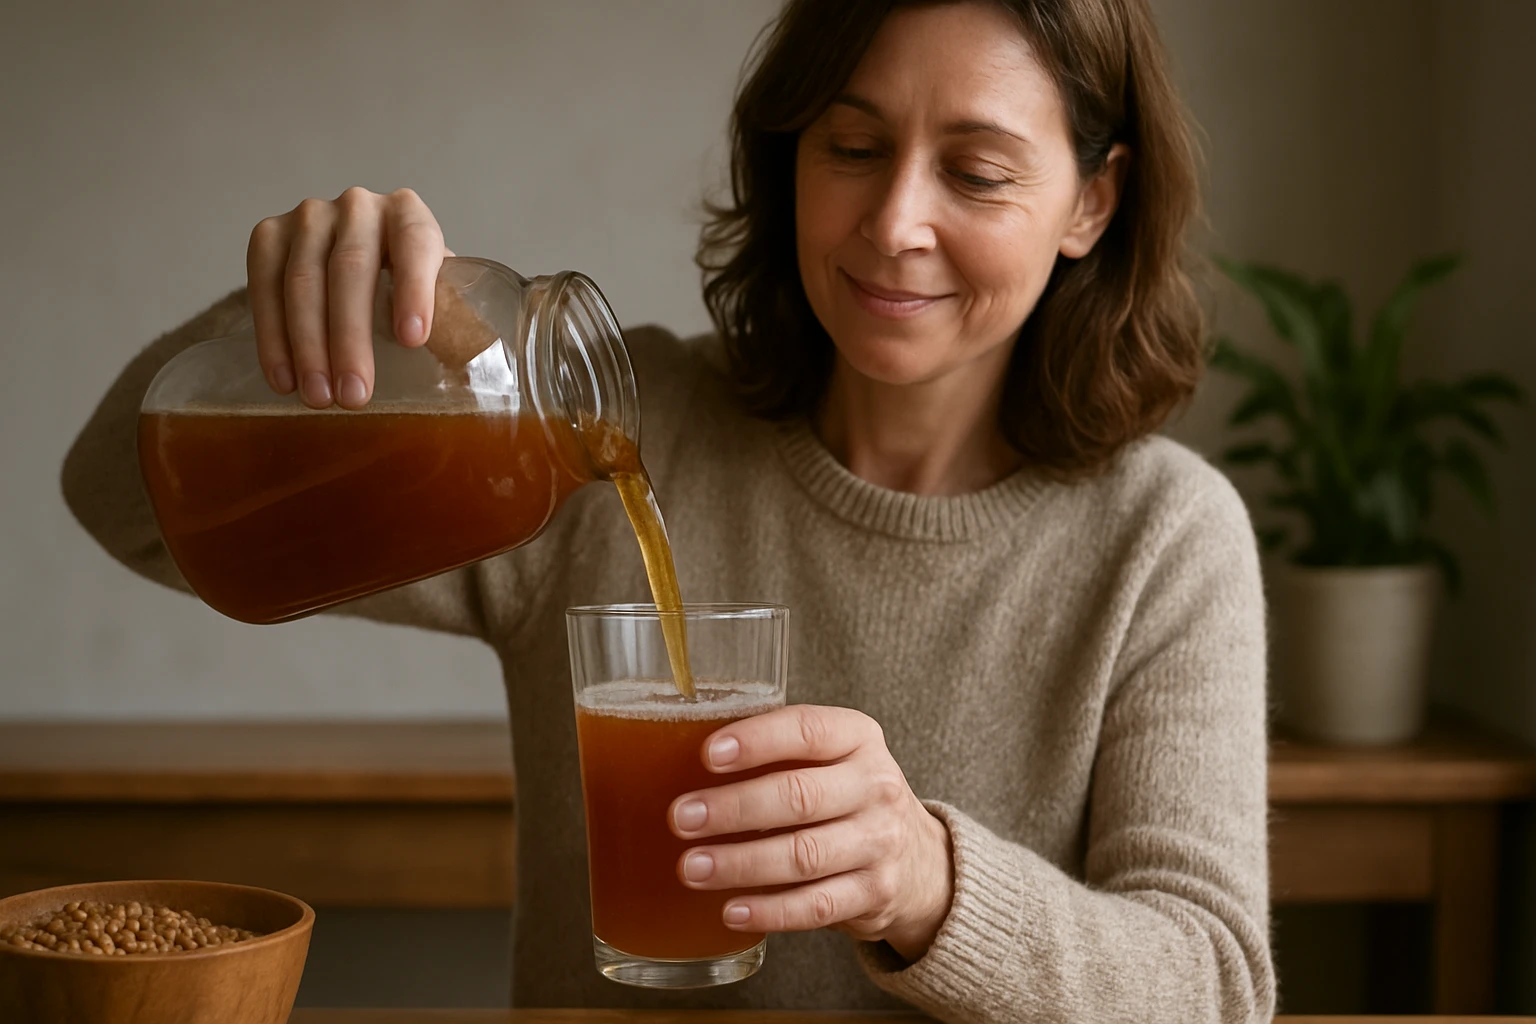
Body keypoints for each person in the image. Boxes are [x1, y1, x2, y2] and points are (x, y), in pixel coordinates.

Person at [62, 1, 1274, 1020]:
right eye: (851, 147)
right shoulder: (596, 439)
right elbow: (122, 501)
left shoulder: (1163, 537)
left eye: (976, 171)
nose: (896, 222)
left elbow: (1215, 982)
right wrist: (275, 319)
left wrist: (926, 879)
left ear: (1091, 204)